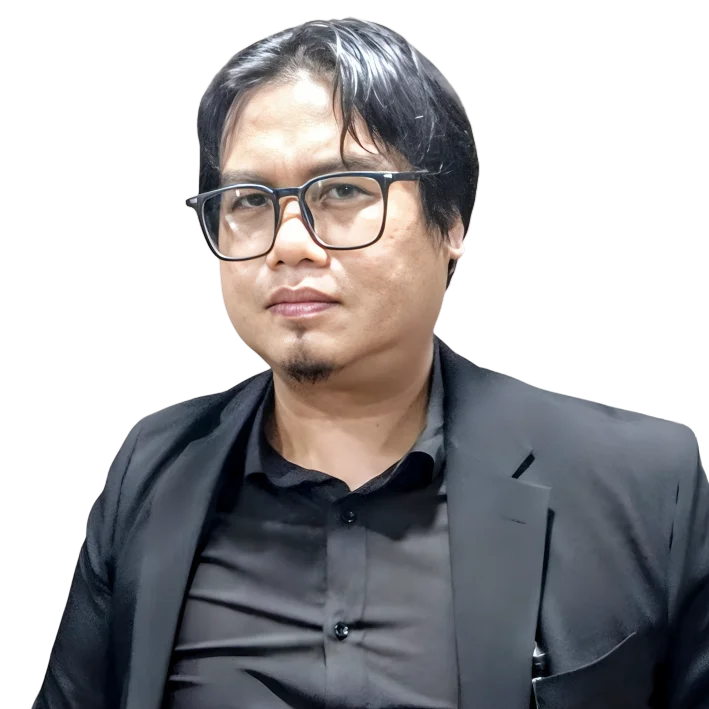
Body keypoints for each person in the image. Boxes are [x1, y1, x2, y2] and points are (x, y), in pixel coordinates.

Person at [33, 17, 708, 709]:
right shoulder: (154, 472)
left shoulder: (642, 484)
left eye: (343, 190)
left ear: (451, 223)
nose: (289, 244)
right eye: (249, 201)